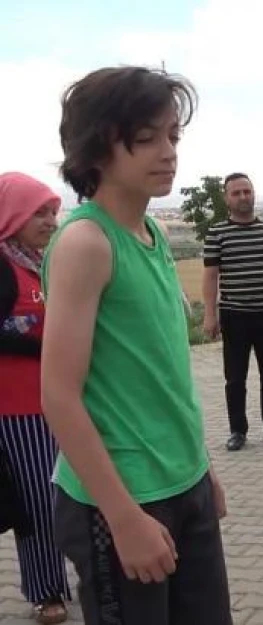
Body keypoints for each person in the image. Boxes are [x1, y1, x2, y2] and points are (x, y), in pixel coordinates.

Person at [41, 66, 232, 625]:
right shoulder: (86, 241)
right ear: (98, 147)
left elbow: (159, 373)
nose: (168, 151)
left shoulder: (151, 234)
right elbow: (58, 395)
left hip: (182, 482)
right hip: (121, 497)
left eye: (173, 136)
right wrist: (122, 518)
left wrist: (201, 470)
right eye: (146, 138)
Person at [0, 172, 69, 624]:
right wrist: (53, 344)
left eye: (52, 212)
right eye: (38, 213)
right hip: (18, 407)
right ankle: (46, 592)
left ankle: (75, 577)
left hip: (61, 400)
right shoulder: (2, 266)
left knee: (67, 497)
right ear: (12, 216)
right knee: (39, 503)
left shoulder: (43, 261)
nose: (49, 220)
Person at [203, 172, 263, 451]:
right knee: (235, 378)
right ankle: (238, 431)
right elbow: (210, 276)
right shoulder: (217, 233)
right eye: (236, 193)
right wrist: (210, 315)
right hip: (234, 315)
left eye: (247, 191)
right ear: (226, 198)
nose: (243, 197)